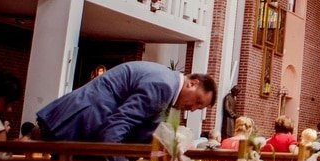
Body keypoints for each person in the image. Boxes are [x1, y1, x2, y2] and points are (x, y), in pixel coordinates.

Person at [29, 62, 216, 144]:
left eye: (199, 108)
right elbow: (120, 123)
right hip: (81, 119)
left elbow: (145, 132)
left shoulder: (168, 87)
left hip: (86, 120)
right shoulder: (165, 86)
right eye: (197, 101)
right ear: (192, 83)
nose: (193, 108)